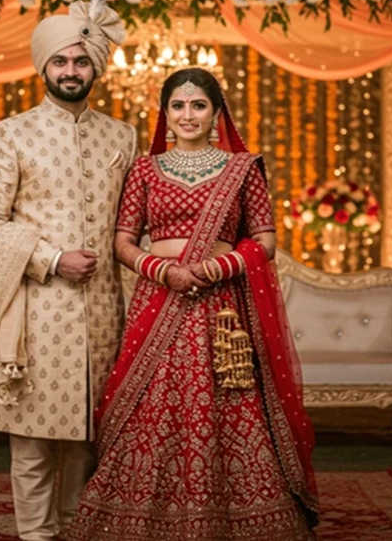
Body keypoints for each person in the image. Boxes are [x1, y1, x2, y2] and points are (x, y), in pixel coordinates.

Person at [66, 68, 319, 540]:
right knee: (149, 405)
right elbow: (123, 241)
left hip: (221, 306)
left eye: (198, 105)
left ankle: (239, 518)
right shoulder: (144, 169)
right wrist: (166, 271)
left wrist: (215, 269)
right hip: (158, 300)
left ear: (216, 113)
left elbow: (264, 241)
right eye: (178, 106)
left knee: (229, 403)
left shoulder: (243, 168)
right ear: (165, 113)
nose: (188, 115)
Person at [0, 0, 138, 541]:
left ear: (95, 67)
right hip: (38, 313)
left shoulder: (122, 136)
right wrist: (51, 258)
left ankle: (79, 529)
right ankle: (38, 536)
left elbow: (135, 224)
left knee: (93, 437)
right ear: (45, 66)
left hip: (108, 310)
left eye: (81, 60)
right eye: (61, 60)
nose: (71, 69)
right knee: (34, 438)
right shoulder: (12, 133)